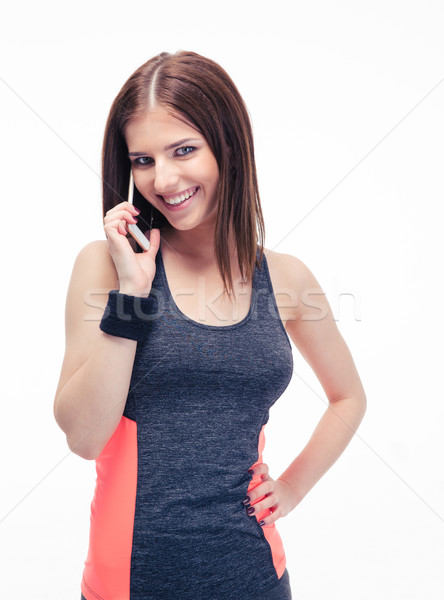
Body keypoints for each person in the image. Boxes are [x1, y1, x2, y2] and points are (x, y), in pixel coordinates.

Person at [53, 50, 367, 600]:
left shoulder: (287, 278)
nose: (163, 178)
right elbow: (84, 436)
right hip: (131, 585)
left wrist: (291, 488)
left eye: (183, 150)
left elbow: (348, 396)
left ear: (228, 146)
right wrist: (132, 292)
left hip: (257, 580)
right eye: (143, 160)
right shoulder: (105, 266)